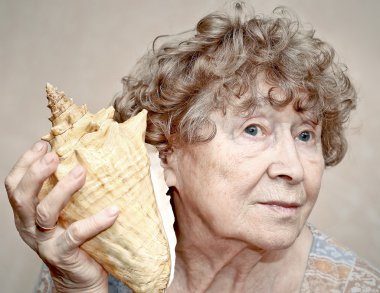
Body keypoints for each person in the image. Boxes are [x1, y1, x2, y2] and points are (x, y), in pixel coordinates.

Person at [5, 2, 380, 292]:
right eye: (253, 129)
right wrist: (80, 288)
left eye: (305, 135)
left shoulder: (354, 285)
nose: (294, 169)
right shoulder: (92, 256)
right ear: (167, 151)